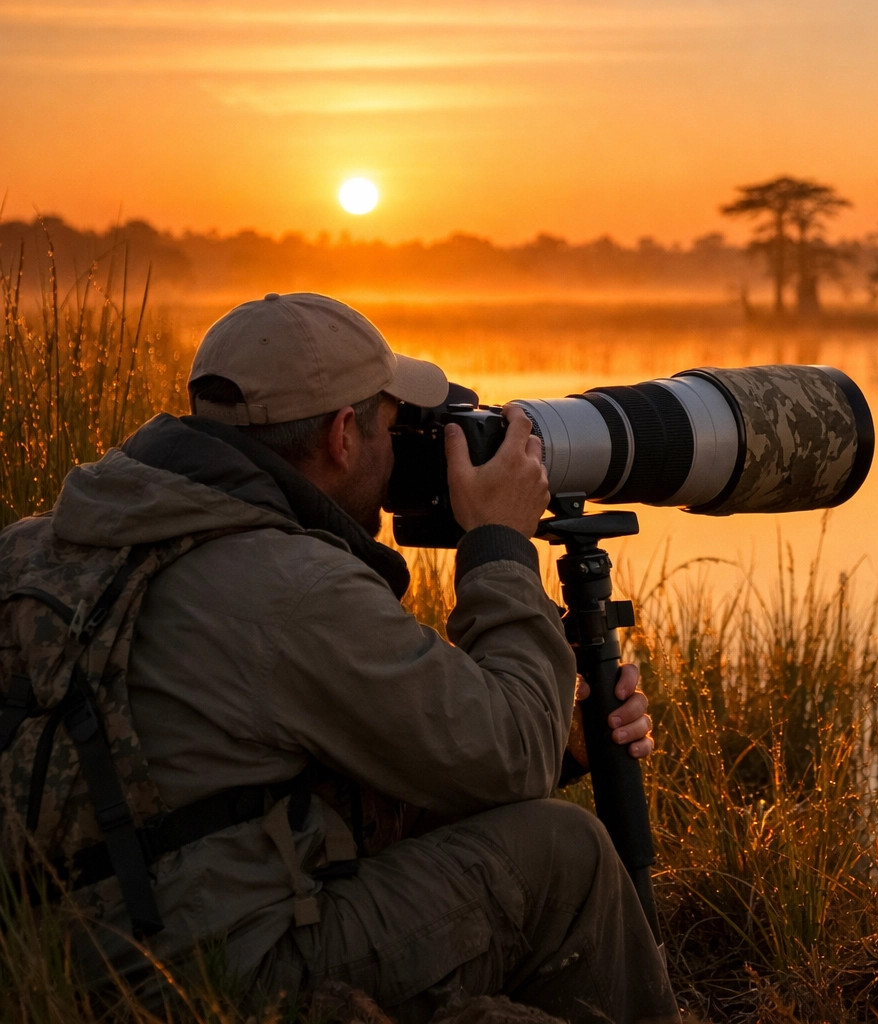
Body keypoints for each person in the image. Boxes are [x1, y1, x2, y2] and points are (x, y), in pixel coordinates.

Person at [7, 292, 678, 1023]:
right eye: (393, 424)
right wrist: (499, 545)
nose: (403, 450)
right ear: (342, 437)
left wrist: (566, 741)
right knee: (564, 853)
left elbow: (237, 788)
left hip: (51, 953)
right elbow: (507, 751)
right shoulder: (288, 584)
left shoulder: (52, 541)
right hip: (205, 979)